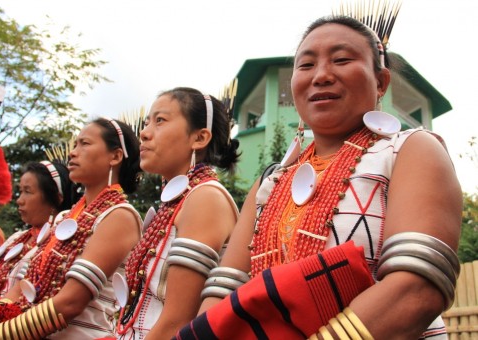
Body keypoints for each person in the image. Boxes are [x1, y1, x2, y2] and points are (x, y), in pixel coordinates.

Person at [176, 11, 462, 340]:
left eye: (341, 59)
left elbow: (417, 289)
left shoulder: (410, 150)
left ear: (380, 82)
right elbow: (225, 289)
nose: (321, 75)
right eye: (306, 65)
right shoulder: (270, 182)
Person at [0, 117, 143, 339]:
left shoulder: (120, 216)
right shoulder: (66, 217)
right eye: (75, 145)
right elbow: (25, 285)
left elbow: (71, 303)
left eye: (85, 144)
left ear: (115, 156)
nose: (73, 152)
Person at [114, 87, 240, 339]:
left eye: (160, 121)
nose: (144, 132)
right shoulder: (176, 203)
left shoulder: (205, 198)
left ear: (199, 138)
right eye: (147, 121)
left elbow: (178, 321)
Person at [0, 160, 79, 296]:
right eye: (20, 191)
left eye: (28, 191)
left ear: (56, 197)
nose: (19, 200)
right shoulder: (16, 238)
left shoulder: (62, 245)